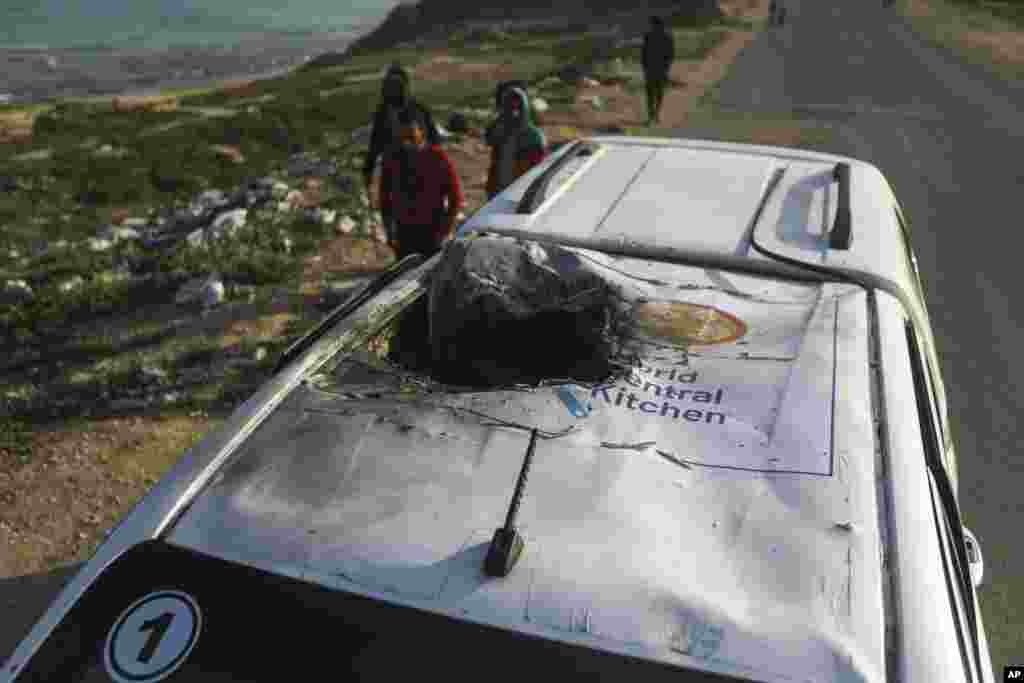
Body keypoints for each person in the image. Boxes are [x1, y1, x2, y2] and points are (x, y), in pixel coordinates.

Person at [363, 63, 440, 240]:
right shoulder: (384, 112)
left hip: (417, 169)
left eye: (397, 85)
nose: (394, 89)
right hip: (393, 169)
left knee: (412, 211)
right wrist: (368, 169)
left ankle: (412, 243)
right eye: (391, 85)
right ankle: (398, 243)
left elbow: (434, 142)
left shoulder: (418, 110)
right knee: (391, 210)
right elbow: (375, 143)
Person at [379, 108, 463, 261]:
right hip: (404, 233)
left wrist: (445, 231)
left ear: (421, 131)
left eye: (411, 134)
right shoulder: (392, 159)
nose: (406, 140)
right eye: (402, 135)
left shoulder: (437, 157)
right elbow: (384, 198)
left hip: (433, 232)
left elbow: (455, 198)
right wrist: (389, 231)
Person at [484, 87, 547, 200]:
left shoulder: (534, 136)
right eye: (510, 108)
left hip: (522, 191)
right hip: (499, 189)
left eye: (518, 108)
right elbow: (488, 138)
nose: (515, 112)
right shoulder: (499, 131)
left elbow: (538, 170)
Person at [641, 16, 675, 126]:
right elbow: (671, 54)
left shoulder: (648, 36)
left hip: (652, 68)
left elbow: (644, 53)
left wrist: (645, 66)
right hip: (660, 68)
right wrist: (667, 66)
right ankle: (655, 114)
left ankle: (652, 115)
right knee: (658, 92)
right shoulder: (667, 37)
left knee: (651, 93)